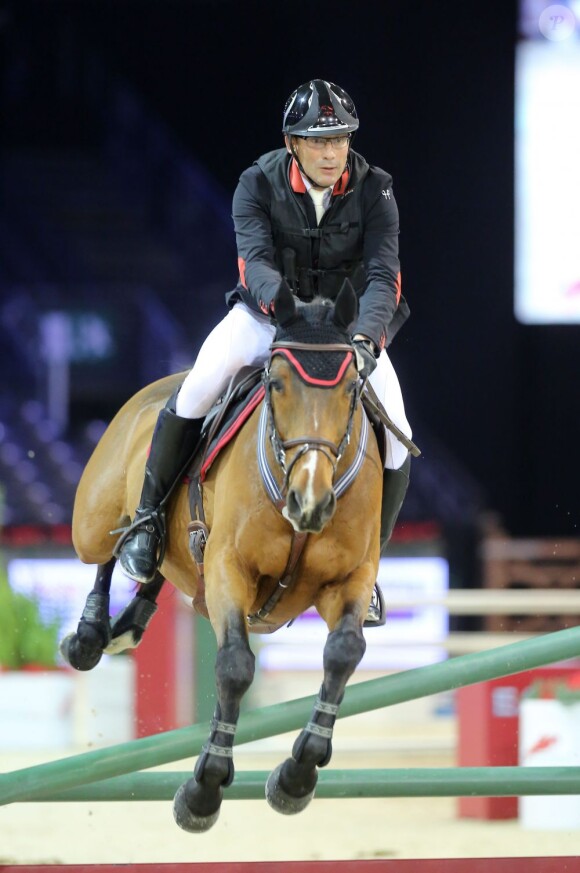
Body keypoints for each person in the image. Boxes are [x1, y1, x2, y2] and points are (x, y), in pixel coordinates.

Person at [116, 79, 412, 626]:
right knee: (199, 387)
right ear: (292, 143)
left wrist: (368, 338)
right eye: (318, 141)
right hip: (269, 319)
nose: (331, 152)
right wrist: (290, 315)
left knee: (397, 432)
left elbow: (382, 275)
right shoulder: (256, 183)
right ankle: (150, 522)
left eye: (341, 140)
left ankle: (369, 567)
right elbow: (254, 265)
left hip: (348, 334)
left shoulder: (378, 190)